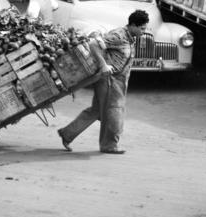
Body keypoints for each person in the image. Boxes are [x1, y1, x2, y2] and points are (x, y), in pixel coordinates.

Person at [57, 9, 150, 154]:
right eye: (142, 28)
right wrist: (103, 65)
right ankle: (109, 145)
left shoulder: (131, 37)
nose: (144, 32)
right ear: (133, 25)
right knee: (114, 111)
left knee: (96, 111)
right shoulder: (118, 35)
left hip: (119, 81)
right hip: (109, 80)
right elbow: (94, 44)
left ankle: (67, 134)